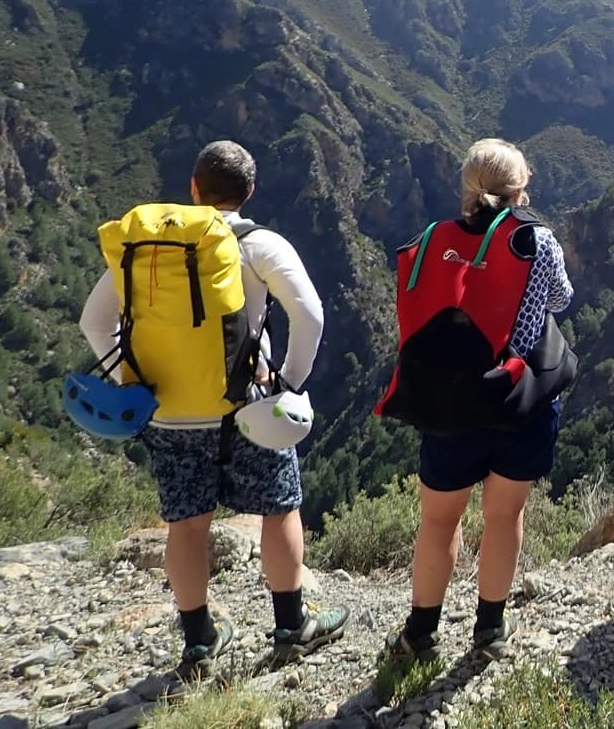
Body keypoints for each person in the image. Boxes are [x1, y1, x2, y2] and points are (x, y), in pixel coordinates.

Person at [79, 140, 345, 679]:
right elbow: (309, 315)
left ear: (194, 188)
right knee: (279, 509)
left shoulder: (147, 247)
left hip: (166, 412)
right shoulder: (258, 243)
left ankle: (199, 643)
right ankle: (292, 627)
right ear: (250, 192)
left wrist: (130, 385)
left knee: (187, 526)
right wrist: (287, 384)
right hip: (245, 407)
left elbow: (93, 321)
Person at [381, 138, 575, 667]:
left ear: (467, 187)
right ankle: (489, 629)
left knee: (439, 522)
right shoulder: (536, 240)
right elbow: (561, 299)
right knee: (504, 516)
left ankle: (419, 634)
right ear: (520, 188)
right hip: (519, 398)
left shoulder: (432, 237)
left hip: (447, 401)